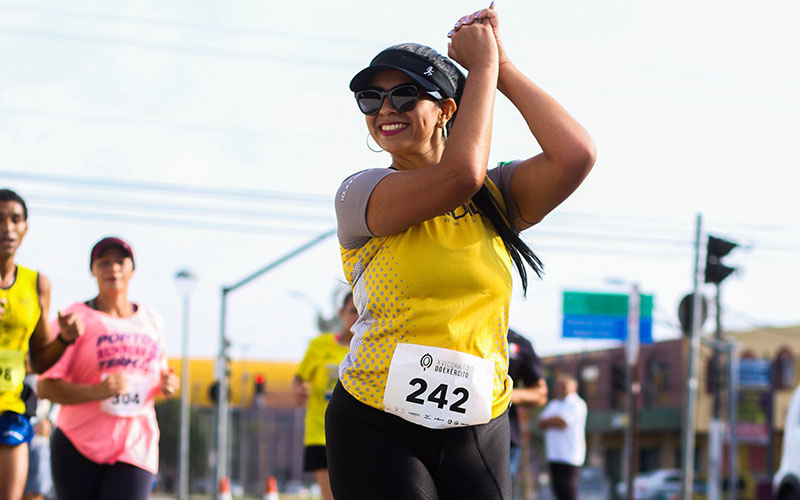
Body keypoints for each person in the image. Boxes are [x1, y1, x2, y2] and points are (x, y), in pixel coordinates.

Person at [326, 3, 595, 499]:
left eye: (405, 95)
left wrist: (504, 68)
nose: (386, 108)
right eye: (371, 97)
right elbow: (459, 176)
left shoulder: (495, 196)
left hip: (480, 425)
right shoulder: (361, 192)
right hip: (377, 422)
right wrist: (483, 68)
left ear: (447, 109)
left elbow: (576, 154)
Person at [37, 236, 180, 500]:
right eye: (104, 263)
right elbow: (46, 386)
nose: (113, 269)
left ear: (132, 269)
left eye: (120, 262)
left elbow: (159, 381)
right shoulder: (76, 318)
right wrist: (97, 392)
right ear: (93, 270)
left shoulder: (152, 321)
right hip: (78, 444)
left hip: (135, 445)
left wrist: (168, 386)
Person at [1, 188, 82, 500]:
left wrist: (64, 339)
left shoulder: (37, 284)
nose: (6, 228)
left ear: (25, 227)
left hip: (11, 408)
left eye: (15, 219)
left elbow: (40, 360)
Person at [293, 292, 357, 500]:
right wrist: (300, 389)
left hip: (357, 434)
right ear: (341, 313)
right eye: (352, 311)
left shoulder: (371, 352)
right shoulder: (319, 346)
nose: (356, 318)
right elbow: (299, 379)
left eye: (362, 312)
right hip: (320, 433)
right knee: (330, 495)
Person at [507, 328, 547, 486]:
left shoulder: (519, 342)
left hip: (504, 438)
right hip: (451, 431)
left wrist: (500, 395)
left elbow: (540, 394)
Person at [537, 375, 587, 500]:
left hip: (570, 455)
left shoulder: (577, 404)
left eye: (564, 386)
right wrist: (554, 421)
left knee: (568, 490)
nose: (561, 389)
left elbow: (562, 423)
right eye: (559, 386)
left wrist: (551, 421)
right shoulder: (554, 404)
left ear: (574, 387)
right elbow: (541, 423)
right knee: (557, 490)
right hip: (554, 454)